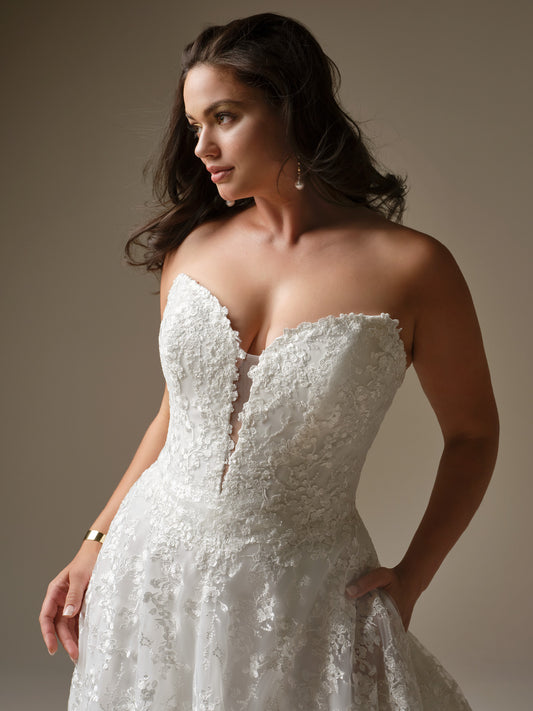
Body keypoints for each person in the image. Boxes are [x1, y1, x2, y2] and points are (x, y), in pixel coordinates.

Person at [39, 12, 499, 710]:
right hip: (152, 564)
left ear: (291, 108)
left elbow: (473, 434)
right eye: (194, 124)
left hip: (301, 589)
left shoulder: (414, 268)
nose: (202, 146)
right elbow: (173, 416)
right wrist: (94, 541)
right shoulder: (192, 250)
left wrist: (413, 575)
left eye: (224, 117)